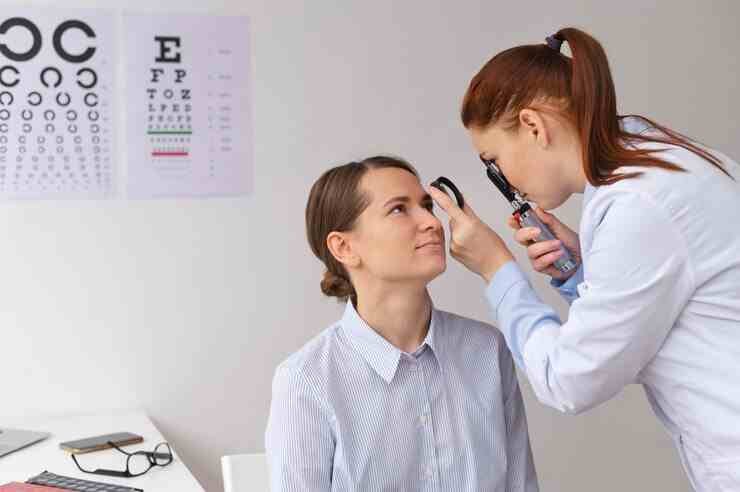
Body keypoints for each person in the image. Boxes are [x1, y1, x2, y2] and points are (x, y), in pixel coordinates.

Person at [427, 27, 740, 490]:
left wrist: (498, 271)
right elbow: (655, 319)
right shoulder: (664, 162)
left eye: (493, 161)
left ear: (534, 126)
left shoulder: (638, 206)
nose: (504, 181)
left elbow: (569, 381)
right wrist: (582, 271)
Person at [265, 156, 538, 491]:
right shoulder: (307, 380)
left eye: (427, 206)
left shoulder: (487, 350)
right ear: (344, 247)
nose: (432, 223)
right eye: (399, 209)